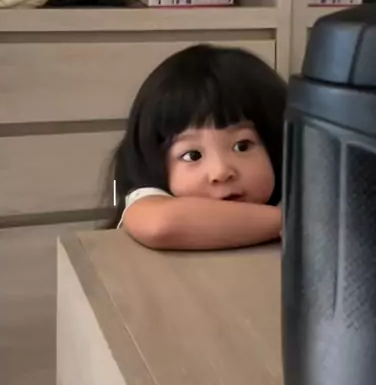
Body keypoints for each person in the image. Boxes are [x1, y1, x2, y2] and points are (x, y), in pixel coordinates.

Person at [110, 44, 287, 250]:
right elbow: (162, 225)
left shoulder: (293, 193)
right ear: (156, 161)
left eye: (242, 146)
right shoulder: (151, 198)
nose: (220, 172)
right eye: (193, 155)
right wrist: (293, 222)